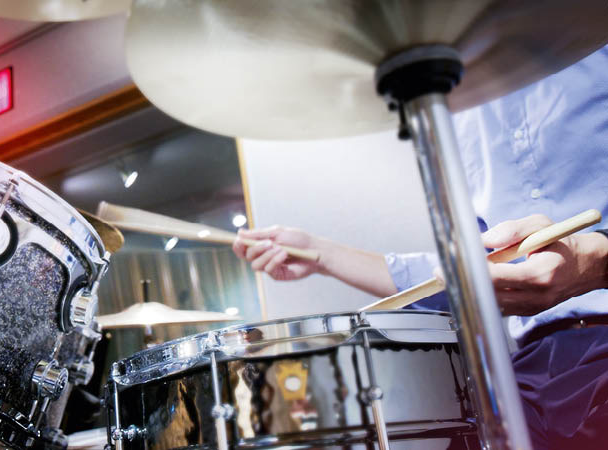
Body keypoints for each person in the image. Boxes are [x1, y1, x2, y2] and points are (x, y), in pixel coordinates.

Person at [233, 45, 608, 450]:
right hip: (534, 365)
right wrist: (321, 254)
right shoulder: (458, 111)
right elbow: (468, 271)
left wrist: (597, 261)